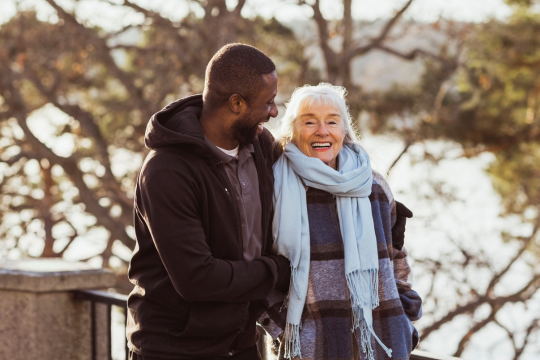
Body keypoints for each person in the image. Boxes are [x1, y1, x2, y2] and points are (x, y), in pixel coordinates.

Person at [126, 43, 292, 360]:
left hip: (241, 343)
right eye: (268, 103)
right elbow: (198, 279)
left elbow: (311, 179)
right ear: (237, 103)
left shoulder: (259, 146)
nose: (274, 112)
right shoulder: (166, 171)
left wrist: (378, 202)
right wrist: (278, 271)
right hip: (173, 349)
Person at [259, 83, 422, 360]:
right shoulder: (274, 189)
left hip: (383, 338)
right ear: (292, 131)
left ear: (344, 130)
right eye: (309, 122)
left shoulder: (374, 185)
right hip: (310, 344)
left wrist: (405, 314)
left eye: (332, 121)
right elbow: (256, 266)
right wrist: (281, 328)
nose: (322, 131)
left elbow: (396, 253)